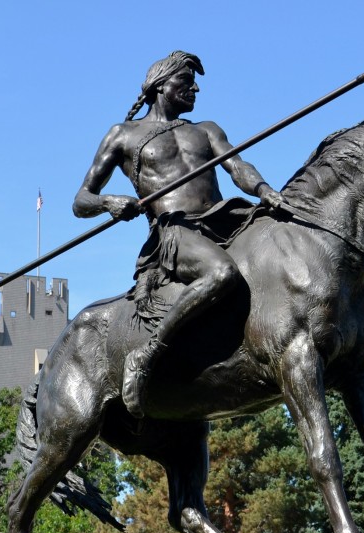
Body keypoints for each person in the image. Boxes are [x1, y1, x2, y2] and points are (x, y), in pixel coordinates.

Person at [73, 51, 282, 418]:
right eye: (185, 82)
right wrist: (109, 203)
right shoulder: (123, 135)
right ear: (159, 86)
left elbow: (237, 166)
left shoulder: (206, 130)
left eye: (194, 82)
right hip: (176, 230)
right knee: (221, 273)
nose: (194, 88)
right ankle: (148, 353)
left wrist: (263, 189)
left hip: (226, 218)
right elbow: (81, 200)